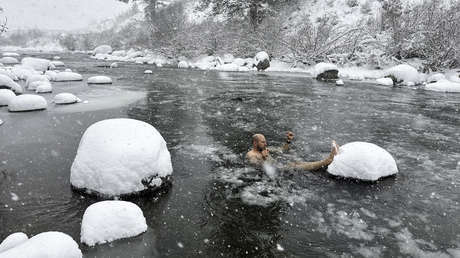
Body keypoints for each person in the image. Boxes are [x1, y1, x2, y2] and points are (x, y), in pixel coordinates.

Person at [245, 131, 339, 171]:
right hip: (277, 170)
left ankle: (324, 162)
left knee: (296, 162)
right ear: (255, 143)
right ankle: (326, 161)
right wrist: (264, 158)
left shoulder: (265, 149)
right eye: (262, 142)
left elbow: (282, 150)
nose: (265, 144)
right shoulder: (251, 154)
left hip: (278, 166)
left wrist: (288, 140)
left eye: (265, 141)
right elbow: (256, 167)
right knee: (293, 166)